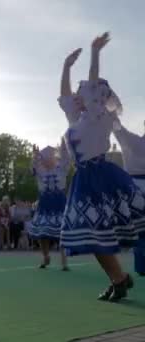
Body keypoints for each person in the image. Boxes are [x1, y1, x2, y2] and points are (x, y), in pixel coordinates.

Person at [58, 32, 145, 302]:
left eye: (86, 91)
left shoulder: (99, 115)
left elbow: (94, 82)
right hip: (84, 178)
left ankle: (120, 280)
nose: (80, 93)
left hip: (100, 177)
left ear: (98, 96)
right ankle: (119, 279)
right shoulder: (79, 117)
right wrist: (66, 66)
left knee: (97, 235)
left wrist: (96, 53)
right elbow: (64, 97)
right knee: (92, 237)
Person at [29, 144, 69, 270]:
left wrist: (64, 148)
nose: (45, 160)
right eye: (43, 158)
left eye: (48, 157)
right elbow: (33, 169)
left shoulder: (60, 169)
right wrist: (34, 156)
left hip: (59, 204)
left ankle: (64, 261)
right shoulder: (41, 171)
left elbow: (67, 159)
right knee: (42, 232)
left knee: (62, 233)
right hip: (44, 205)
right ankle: (46, 256)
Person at [113, 120, 145, 276]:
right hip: (135, 187)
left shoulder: (130, 140)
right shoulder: (131, 140)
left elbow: (117, 127)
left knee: (138, 229)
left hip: (133, 189)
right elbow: (117, 127)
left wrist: (107, 108)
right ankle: (141, 265)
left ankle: (141, 266)